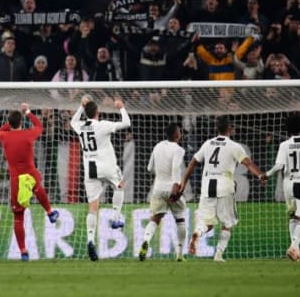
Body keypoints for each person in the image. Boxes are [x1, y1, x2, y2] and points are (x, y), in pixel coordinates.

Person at [179, 115, 264, 262]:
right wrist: (260, 175)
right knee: (228, 223)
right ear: (230, 129)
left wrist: (184, 181)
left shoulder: (207, 144)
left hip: (207, 186)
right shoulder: (234, 146)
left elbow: (193, 162)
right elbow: (248, 164)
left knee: (208, 223)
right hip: (224, 186)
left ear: (216, 128)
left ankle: (197, 233)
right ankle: (218, 254)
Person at [70, 95, 131, 261]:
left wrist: (81, 107)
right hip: (107, 166)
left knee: (93, 208)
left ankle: (90, 240)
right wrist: (121, 107)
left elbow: (72, 122)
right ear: (98, 112)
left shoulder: (80, 126)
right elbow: (126, 123)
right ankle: (116, 217)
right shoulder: (103, 125)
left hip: (90, 170)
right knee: (119, 185)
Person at [0, 103, 59, 261]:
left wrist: (10, 122)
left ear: (9, 123)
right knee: (38, 187)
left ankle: (23, 251)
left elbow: (1, 131)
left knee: (18, 217)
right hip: (30, 175)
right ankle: (50, 212)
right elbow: (39, 126)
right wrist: (28, 112)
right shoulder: (28, 135)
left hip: (16, 181)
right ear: (21, 123)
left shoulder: (4, 136)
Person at [260, 114, 300, 261]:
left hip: (289, 184)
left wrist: (266, 175)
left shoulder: (284, 145)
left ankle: (296, 250)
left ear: (287, 129)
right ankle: (294, 246)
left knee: (293, 215)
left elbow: (279, 166)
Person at [139, 123, 187, 262]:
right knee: (180, 219)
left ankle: (146, 240)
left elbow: (149, 168)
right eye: (180, 132)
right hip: (172, 188)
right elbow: (176, 168)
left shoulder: (157, 146)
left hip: (158, 188)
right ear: (177, 134)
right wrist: (175, 186)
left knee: (155, 218)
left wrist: (160, 174)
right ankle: (179, 254)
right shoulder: (178, 149)